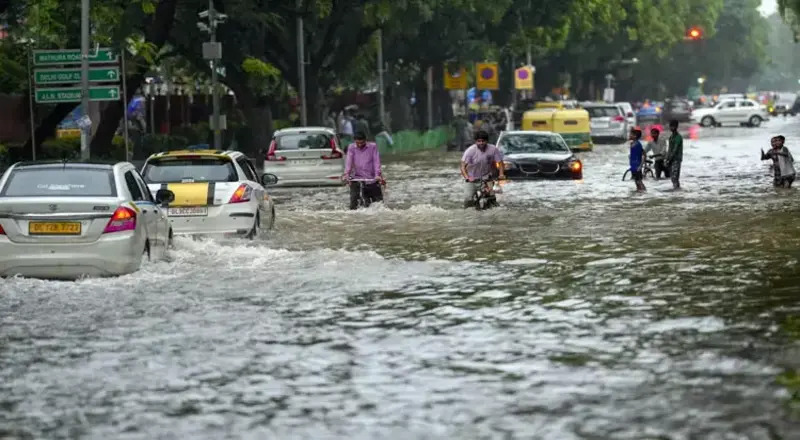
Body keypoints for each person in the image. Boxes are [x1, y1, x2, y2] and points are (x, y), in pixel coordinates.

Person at [460, 130, 505, 207]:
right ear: (475, 141)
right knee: (468, 198)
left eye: (483, 141)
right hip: (471, 178)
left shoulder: (493, 149)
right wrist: (468, 177)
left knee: (491, 198)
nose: (481, 143)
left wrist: (501, 174)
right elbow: (462, 167)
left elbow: (500, 163)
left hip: (486, 178)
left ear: (487, 141)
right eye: (479, 141)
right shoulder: (470, 151)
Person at [343, 132, 384, 209]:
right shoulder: (351, 147)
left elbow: (376, 161)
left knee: (379, 204)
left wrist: (377, 174)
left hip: (372, 178)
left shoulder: (373, 147)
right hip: (357, 178)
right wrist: (346, 175)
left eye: (362, 143)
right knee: (354, 204)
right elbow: (349, 161)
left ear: (365, 140)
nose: (359, 145)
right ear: (354, 141)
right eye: (357, 143)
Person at [666, 120, 683, 189]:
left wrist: (669, 158)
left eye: (672, 126)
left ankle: (677, 190)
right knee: (672, 177)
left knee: (675, 176)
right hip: (671, 159)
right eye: (670, 126)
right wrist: (667, 158)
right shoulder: (671, 137)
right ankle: (676, 190)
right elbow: (669, 149)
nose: (671, 128)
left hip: (676, 159)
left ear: (676, 127)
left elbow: (675, 149)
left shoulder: (678, 137)